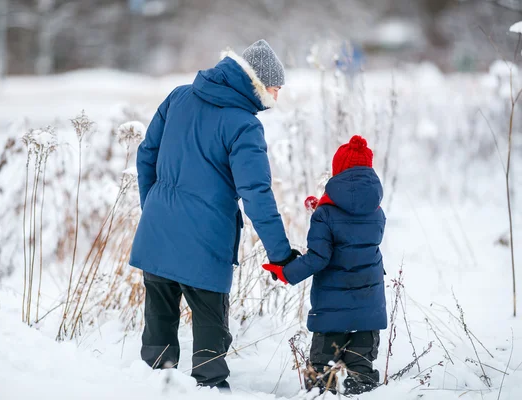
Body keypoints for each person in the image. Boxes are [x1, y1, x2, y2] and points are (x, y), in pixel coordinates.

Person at [130, 39, 300, 390]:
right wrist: (281, 254)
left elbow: (146, 154)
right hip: (205, 243)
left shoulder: (178, 97)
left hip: (157, 233)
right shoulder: (244, 125)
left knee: (158, 331)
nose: (277, 97)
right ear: (256, 82)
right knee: (210, 338)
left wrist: (155, 209)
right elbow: (257, 194)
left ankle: (154, 389)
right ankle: (210, 391)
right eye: (275, 88)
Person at [263, 135, 387, 395]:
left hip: (332, 313)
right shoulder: (377, 212)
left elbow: (320, 257)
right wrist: (325, 209)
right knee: (362, 377)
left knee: (321, 377)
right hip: (368, 309)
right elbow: (354, 237)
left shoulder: (325, 215)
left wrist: (286, 272)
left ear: (338, 171)